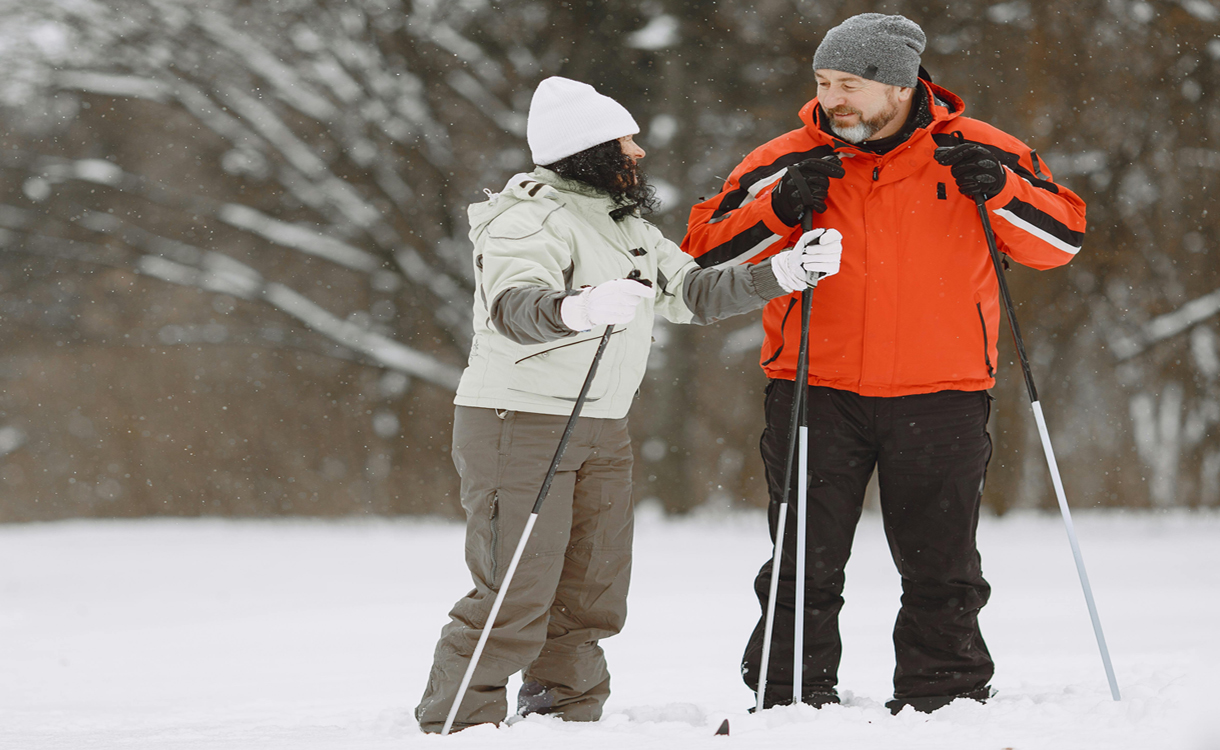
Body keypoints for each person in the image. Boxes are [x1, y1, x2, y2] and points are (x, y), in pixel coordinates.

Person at [680, 14, 1086, 714]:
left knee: (943, 564)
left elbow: (1063, 240)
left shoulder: (980, 150)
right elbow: (699, 256)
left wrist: (1004, 193)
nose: (832, 98)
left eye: (849, 84)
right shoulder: (785, 159)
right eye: (823, 82)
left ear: (898, 86)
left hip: (943, 392)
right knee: (804, 560)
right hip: (814, 390)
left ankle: (944, 696)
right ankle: (791, 698)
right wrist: (778, 209)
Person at [415, 76, 843, 733]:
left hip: (600, 424)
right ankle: (459, 721)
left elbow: (692, 292)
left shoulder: (625, 222)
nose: (638, 151)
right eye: (625, 140)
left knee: (591, 587)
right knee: (517, 585)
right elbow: (513, 308)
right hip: (517, 421)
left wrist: (784, 272)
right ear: (585, 149)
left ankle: (564, 711)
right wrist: (577, 308)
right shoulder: (526, 216)